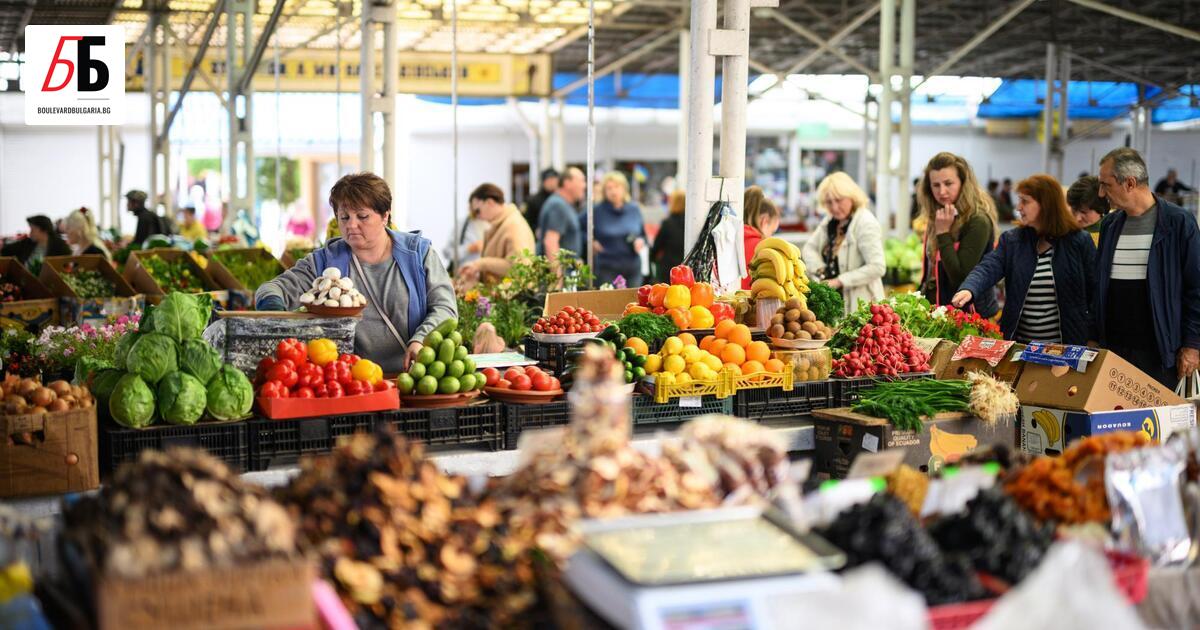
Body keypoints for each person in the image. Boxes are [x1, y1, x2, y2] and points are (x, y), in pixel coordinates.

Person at [255, 172, 457, 373]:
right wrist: (273, 311)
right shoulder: (324, 262)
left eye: (362, 216)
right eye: (344, 217)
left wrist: (421, 340)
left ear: (385, 215)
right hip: (353, 383)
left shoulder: (418, 254)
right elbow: (271, 288)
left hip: (416, 377)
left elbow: (445, 308)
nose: (351, 224)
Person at [1093, 148, 1200, 388]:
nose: (1101, 193)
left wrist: (1192, 345)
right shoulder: (1110, 225)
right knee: (1115, 424)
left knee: (1155, 424)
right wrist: (1093, 336)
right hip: (1114, 351)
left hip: (1159, 354)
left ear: (1130, 183)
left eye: (1105, 185)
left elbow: (1196, 289)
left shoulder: (1178, 223)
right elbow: (1098, 284)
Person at [952, 174, 1096, 345]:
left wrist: (1093, 337)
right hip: (1020, 347)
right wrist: (970, 288)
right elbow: (989, 266)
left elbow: (1095, 292)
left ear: (1046, 204)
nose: (1019, 207)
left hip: (1064, 349)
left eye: (1025, 201)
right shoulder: (1012, 240)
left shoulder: (1079, 241)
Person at [917, 152, 999, 316]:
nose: (942, 191)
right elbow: (930, 272)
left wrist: (943, 233)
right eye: (936, 185)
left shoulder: (978, 221)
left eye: (948, 183)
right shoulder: (939, 216)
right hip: (939, 312)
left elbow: (960, 277)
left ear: (963, 183)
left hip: (971, 316)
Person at [801, 172, 885, 313]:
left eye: (839, 200)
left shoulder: (865, 222)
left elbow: (877, 267)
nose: (834, 207)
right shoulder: (830, 221)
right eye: (829, 202)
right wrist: (821, 270)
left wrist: (839, 281)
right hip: (836, 305)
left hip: (862, 307)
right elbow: (809, 248)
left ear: (852, 197)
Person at [456, 183, 535, 288]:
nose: (477, 217)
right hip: (503, 298)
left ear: (490, 202)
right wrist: (476, 269)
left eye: (477, 211)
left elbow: (518, 267)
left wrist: (480, 264)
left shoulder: (513, 225)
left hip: (514, 300)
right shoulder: (500, 225)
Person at [583, 171, 647, 286]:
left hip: (632, 267)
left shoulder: (634, 209)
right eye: (609, 188)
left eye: (617, 187)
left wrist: (640, 241)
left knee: (634, 301)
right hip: (607, 267)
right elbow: (579, 229)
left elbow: (642, 235)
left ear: (624, 189)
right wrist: (590, 241)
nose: (613, 191)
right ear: (604, 192)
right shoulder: (596, 211)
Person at [537, 166, 585, 260]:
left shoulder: (565, 204)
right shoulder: (558, 206)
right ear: (567, 183)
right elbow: (551, 243)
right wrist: (557, 274)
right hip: (562, 273)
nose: (584, 185)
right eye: (581, 181)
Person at [741, 186, 782, 290]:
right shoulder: (763, 250)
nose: (771, 236)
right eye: (772, 231)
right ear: (764, 221)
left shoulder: (729, 239)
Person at [0, 215, 72, 267]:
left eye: (32, 230)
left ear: (44, 231)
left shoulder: (60, 247)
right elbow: (6, 250)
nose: (30, 233)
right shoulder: (28, 242)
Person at [650, 190, 687, 283]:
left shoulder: (668, 223)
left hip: (668, 269)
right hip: (687, 268)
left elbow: (656, 246)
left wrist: (652, 259)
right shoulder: (692, 224)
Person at [441, 202, 489, 274]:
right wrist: (468, 249)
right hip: (464, 276)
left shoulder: (493, 225)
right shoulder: (462, 225)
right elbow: (447, 252)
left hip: (490, 278)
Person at [1066, 175, 1109, 245]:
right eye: (1074, 210)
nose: (1078, 218)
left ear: (1101, 208)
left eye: (1084, 212)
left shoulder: (1109, 235)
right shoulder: (1063, 231)